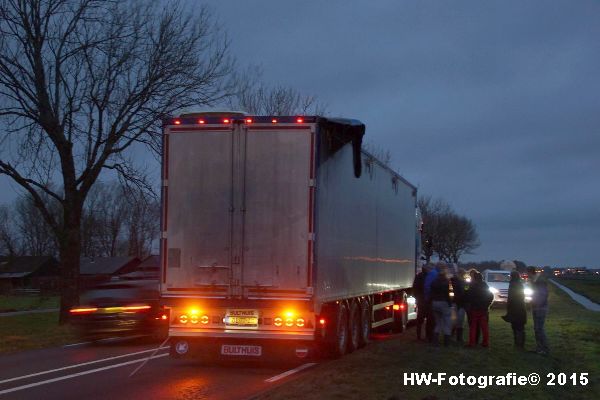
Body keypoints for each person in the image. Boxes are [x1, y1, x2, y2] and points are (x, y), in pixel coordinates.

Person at [466, 272, 493, 348]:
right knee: (484, 327)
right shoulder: (485, 285)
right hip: (483, 309)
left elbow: (468, 295)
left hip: (474, 308)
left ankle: (472, 343)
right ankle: (485, 343)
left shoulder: (472, 286)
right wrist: (487, 304)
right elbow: (491, 296)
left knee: (473, 326)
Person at [527, 266, 549, 355]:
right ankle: (539, 348)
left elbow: (543, 295)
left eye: (527, 273)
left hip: (540, 308)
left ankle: (545, 349)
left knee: (539, 329)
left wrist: (537, 304)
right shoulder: (534, 281)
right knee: (536, 329)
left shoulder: (539, 281)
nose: (527, 275)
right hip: (536, 307)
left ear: (530, 272)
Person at [502, 270, 526, 348]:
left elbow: (511, 297)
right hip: (521, 308)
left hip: (514, 308)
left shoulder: (512, 284)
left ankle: (518, 344)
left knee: (516, 326)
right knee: (520, 327)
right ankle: (520, 343)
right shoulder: (520, 284)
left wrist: (508, 307)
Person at [430, 264, 452, 346]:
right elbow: (449, 294)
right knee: (447, 323)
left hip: (435, 303)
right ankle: (446, 342)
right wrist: (450, 303)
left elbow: (431, 292)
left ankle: (435, 341)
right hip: (444, 303)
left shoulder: (434, 282)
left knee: (438, 323)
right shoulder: (447, 282)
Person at [412, 264, 429, 341]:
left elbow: (414, 287)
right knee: (428, 319)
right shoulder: (428, 277)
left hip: (420, 300)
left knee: (420, 319)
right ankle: (427, 335)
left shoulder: (418, 276)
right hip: (426, 300)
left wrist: (416, 297)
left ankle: (418, 336)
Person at [450, 268, 467, 343]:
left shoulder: (454, 280)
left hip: (456, 302)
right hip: (461, 303)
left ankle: (453, 336)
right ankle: (458, 338)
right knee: (460, 321)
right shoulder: (461, 282)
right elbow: (465, 292)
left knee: (456, 320)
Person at [423, 263, 439, 342]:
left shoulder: (432, 274)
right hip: (432, 300)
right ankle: (431, 337)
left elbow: (426, 287)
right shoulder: (435, 274)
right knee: (432, 319)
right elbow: (427, 287)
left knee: (430, 319)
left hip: (430, 299)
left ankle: (429, 336)